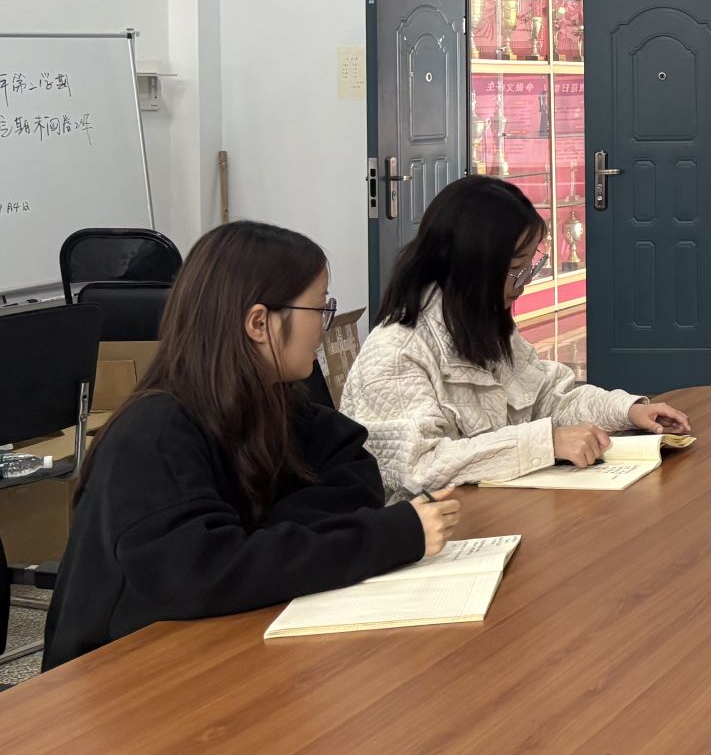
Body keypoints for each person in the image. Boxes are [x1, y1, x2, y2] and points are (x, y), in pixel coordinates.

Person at [43, 222, 458, 669]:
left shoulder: (273, 402)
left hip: (214, 650)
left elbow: (354, 474)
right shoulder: (155, 432)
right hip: (116, 675)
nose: (323, 326)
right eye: (319, 307)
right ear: (259, 323)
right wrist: (390, 536)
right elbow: (204, 573)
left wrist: (263, 546)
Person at [342, 175, 689, 494]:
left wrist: (626, 411)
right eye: (514, 271)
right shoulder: (396, 352)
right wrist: (546, 443)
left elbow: (551, 399)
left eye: (528, 268)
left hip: (498, 508)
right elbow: (420, 466)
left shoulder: (480, 326)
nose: (523, 285)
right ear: (470, 266)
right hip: (438, 531)